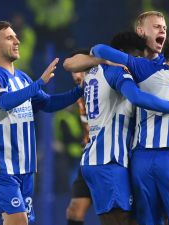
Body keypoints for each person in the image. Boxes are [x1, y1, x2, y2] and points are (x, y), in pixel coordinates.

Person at [64, 31, 169, 225]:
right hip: (109, 159)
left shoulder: (94, 74)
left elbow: (69, 64)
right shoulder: (117, 72)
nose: (136, 61)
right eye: (135, 56)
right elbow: (137, 97)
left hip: (111, 158)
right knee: (120, 220)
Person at [0, 21, 84, 225]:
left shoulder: (23, 78)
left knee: (21, 221)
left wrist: (80, 90)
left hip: (25, 166)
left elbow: (49, 104)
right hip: (1, 165)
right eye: (9, 37)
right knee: (19, 221)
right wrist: (40, 83)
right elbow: (3, 102)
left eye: (16, 36)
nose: (17, 41)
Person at [66, 70, 92, 225]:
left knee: (115, 215)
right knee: (74, 210)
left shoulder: (109, 90)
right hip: (88, 159)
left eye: (80, 72)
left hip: (109, 160)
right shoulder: (79, 96)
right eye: (73, 74)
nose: (76, 77)